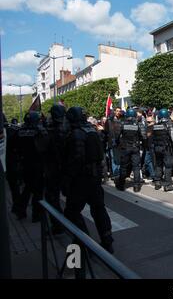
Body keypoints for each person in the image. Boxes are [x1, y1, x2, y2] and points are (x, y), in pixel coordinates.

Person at [63, 107, 114, 253]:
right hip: (95, 177)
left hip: (81, 179)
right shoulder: (92, 131)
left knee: (71, 212)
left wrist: (68, 178)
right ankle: (107, 241)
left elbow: (77, 159)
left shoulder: (77, 134)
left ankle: (83, 243)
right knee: (99, 209)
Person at [15, 111, 48, 222]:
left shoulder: (19, 131)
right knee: (38, 192)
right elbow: (44, 147)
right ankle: (36, 215)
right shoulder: (39, 131)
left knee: (27, 189)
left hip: (24, 164)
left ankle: (21, 212)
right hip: (37, 164)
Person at [44, 105, 69, 234]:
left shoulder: (49, 132)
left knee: (52, 198)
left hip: (54, 170)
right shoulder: (70, 129)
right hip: (69, 170)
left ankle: (58, 225)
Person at [115, 108, 145, 193]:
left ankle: (121, 185)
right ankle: (136, 186)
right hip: (135, 148)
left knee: (123, 166)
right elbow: (144, 136)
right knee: (136, 167)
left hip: (125, 148)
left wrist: (118, 144)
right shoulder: (138, 124)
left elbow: (117, 136)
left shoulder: (122, 123)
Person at [152, 109, 173, 192]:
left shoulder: (155, 125)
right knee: (168, 166)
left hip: (157, 148)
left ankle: (157, 182)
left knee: (158, 164)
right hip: (166, 148)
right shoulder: (169, 125)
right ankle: (167, 185)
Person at [4, 114, 22, 215]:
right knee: (15, 187)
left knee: (14, 186)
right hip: (13, 163)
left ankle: (17, 206)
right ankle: (17, 206)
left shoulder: (11, 131)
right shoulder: (13, 131)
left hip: (10, 163)